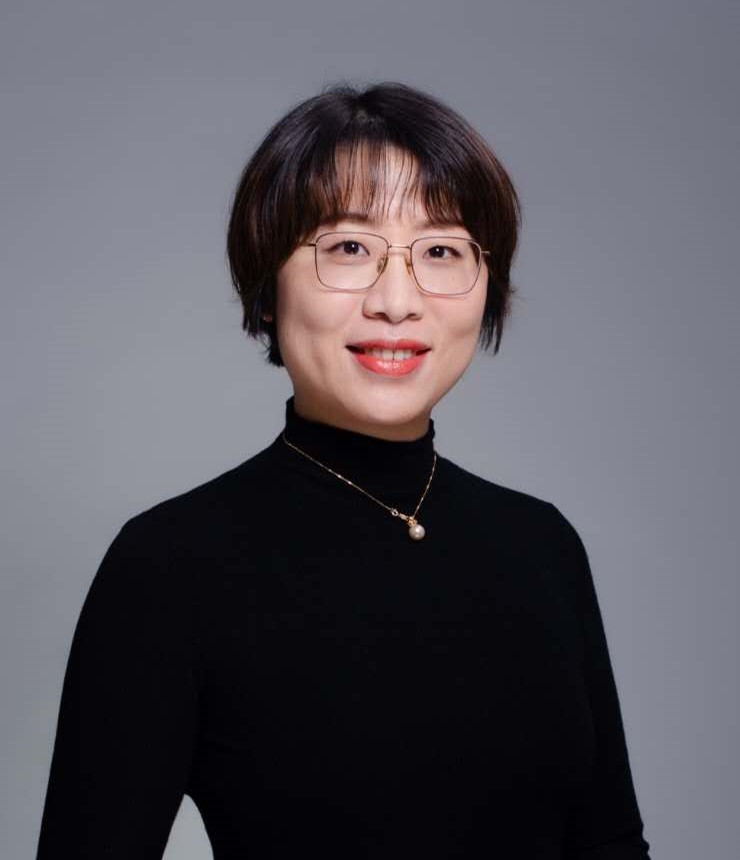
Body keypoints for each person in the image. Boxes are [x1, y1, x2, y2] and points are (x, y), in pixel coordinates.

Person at [36, 82, 651, 858]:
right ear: (267, 287)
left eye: (441, 251)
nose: (397, 301)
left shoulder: (544, 546)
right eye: (349, 248)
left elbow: (611, 846)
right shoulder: (169, 568)